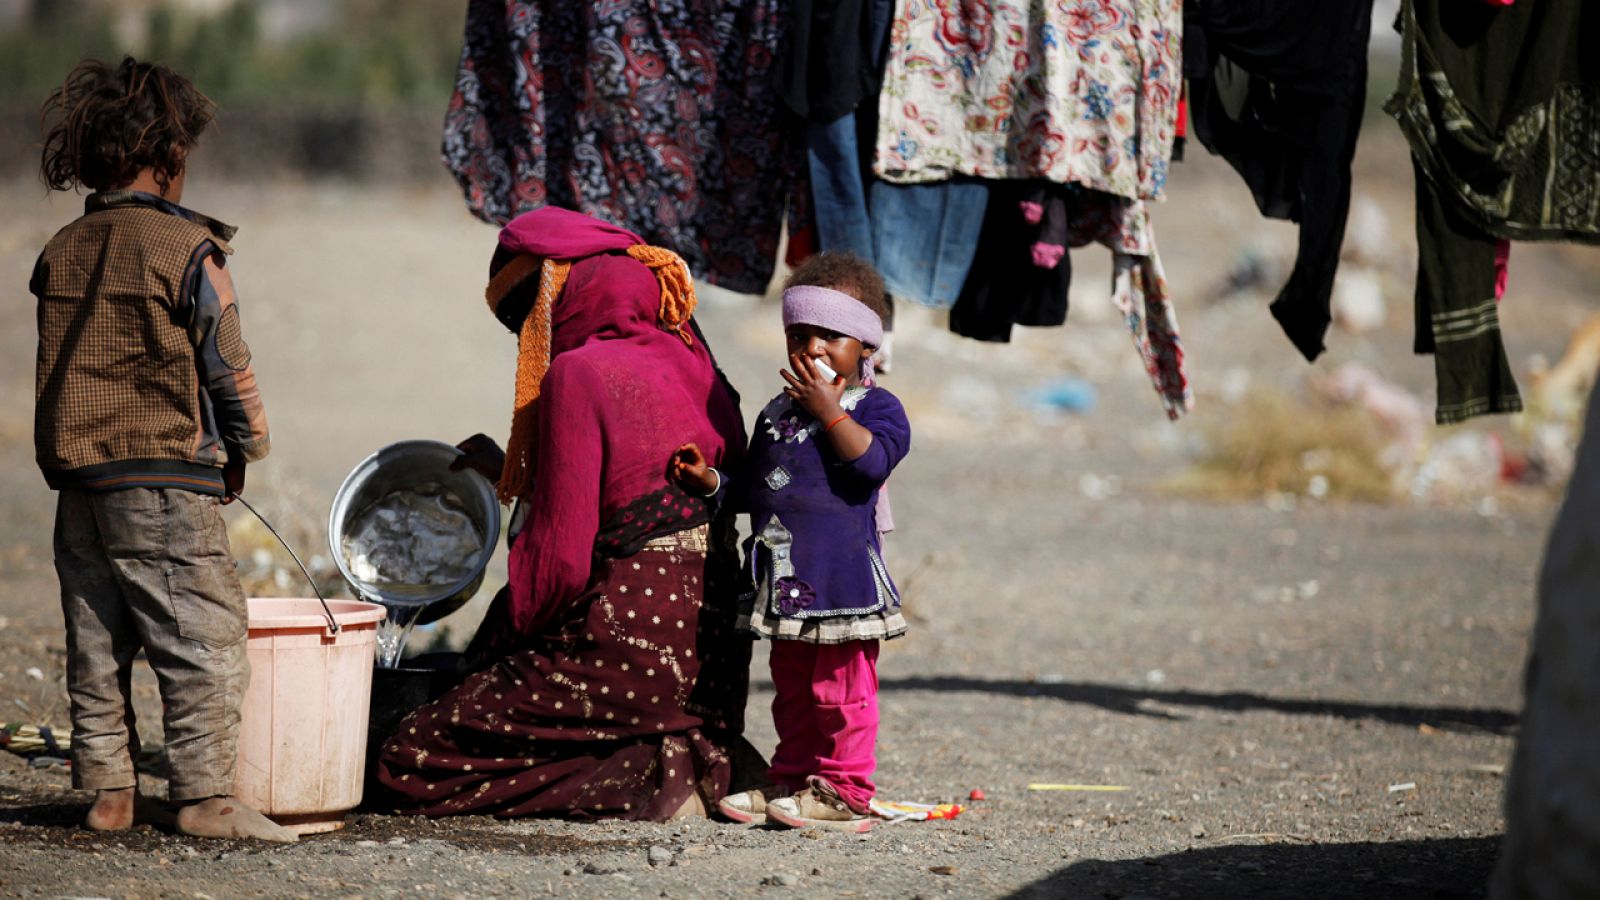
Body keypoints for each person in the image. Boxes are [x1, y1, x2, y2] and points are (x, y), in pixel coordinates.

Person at [374, 206, 754, 821]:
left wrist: (496, 649)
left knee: (407, 758)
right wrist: (516, 472)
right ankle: (689, 753)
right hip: (713, 670)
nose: (533, 342)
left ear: (552, 301)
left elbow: (559, 569)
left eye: (526, 324)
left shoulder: (578, 374)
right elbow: (649, 492)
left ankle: (655, 781)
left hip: (624, 650)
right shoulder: (694, 360)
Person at [30, 57, 291, 841]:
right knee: (202, 636)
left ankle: (109, 792)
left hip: (80, 483)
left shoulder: (63, 247)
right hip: (165, 480)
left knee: (96, 635)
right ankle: (206, 797)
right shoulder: (188, 250)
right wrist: (248, 444)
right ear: (171, 159)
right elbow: (227, 360)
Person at [670, 251, 912, 832]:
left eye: (832, 336)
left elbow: (870, 465)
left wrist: (830, 411)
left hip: (842, 582)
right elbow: (756, 489)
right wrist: (712, 482)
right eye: (799, 335)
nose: (812, 349)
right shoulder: (776, 413)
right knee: (793, 690)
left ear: (866, 348)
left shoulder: (876, 408)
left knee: (840, 691)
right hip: (785, 583)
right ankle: (794, 779)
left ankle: (845, 791)